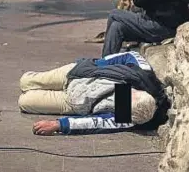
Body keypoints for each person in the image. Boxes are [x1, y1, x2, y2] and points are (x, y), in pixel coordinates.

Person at [18, 51, 171, 135]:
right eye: (130, 94)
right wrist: (99, 64)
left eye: (123, 103)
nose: (123, 96)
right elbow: (131, 55)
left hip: (72, 102)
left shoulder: (129, 116)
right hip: (76, 75)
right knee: (25, 81)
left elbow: (95, 124)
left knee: (25, 102)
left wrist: (58, 125)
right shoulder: (143, 77)